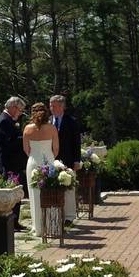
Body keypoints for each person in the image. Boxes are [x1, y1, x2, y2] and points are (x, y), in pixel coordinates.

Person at [22, 102, 60, 236]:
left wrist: (34, 157)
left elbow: (26, 150)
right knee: (50, 194)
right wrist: (49, 158)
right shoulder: (52, 128)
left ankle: (37, 227)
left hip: (32, 163)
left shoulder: (27, 129)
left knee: (34, 194)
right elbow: (56, 149)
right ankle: (51, 224)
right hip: (48, 162)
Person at [0, 96, 28, 231]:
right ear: (13, 107)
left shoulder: (9, 120)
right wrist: (25, 138)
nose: (20, 113)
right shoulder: (4, 121)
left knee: (16, 192)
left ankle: (15, 220)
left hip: (14, 162)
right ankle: (10, 221)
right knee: (11, 193)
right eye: (20, 110)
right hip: (9, 163)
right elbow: (8, 143)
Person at [49, 95, 81, 224]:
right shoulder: (48, 121)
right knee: (54, 188)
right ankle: (56, 213)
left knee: (68, 187)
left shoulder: (71, 121)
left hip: (68, 159)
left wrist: (77, 160)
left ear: (62, 106)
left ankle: (69, 216)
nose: (51, 108)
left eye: (54, 105)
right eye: (50, 105)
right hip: (52, 160)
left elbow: (76, 142)